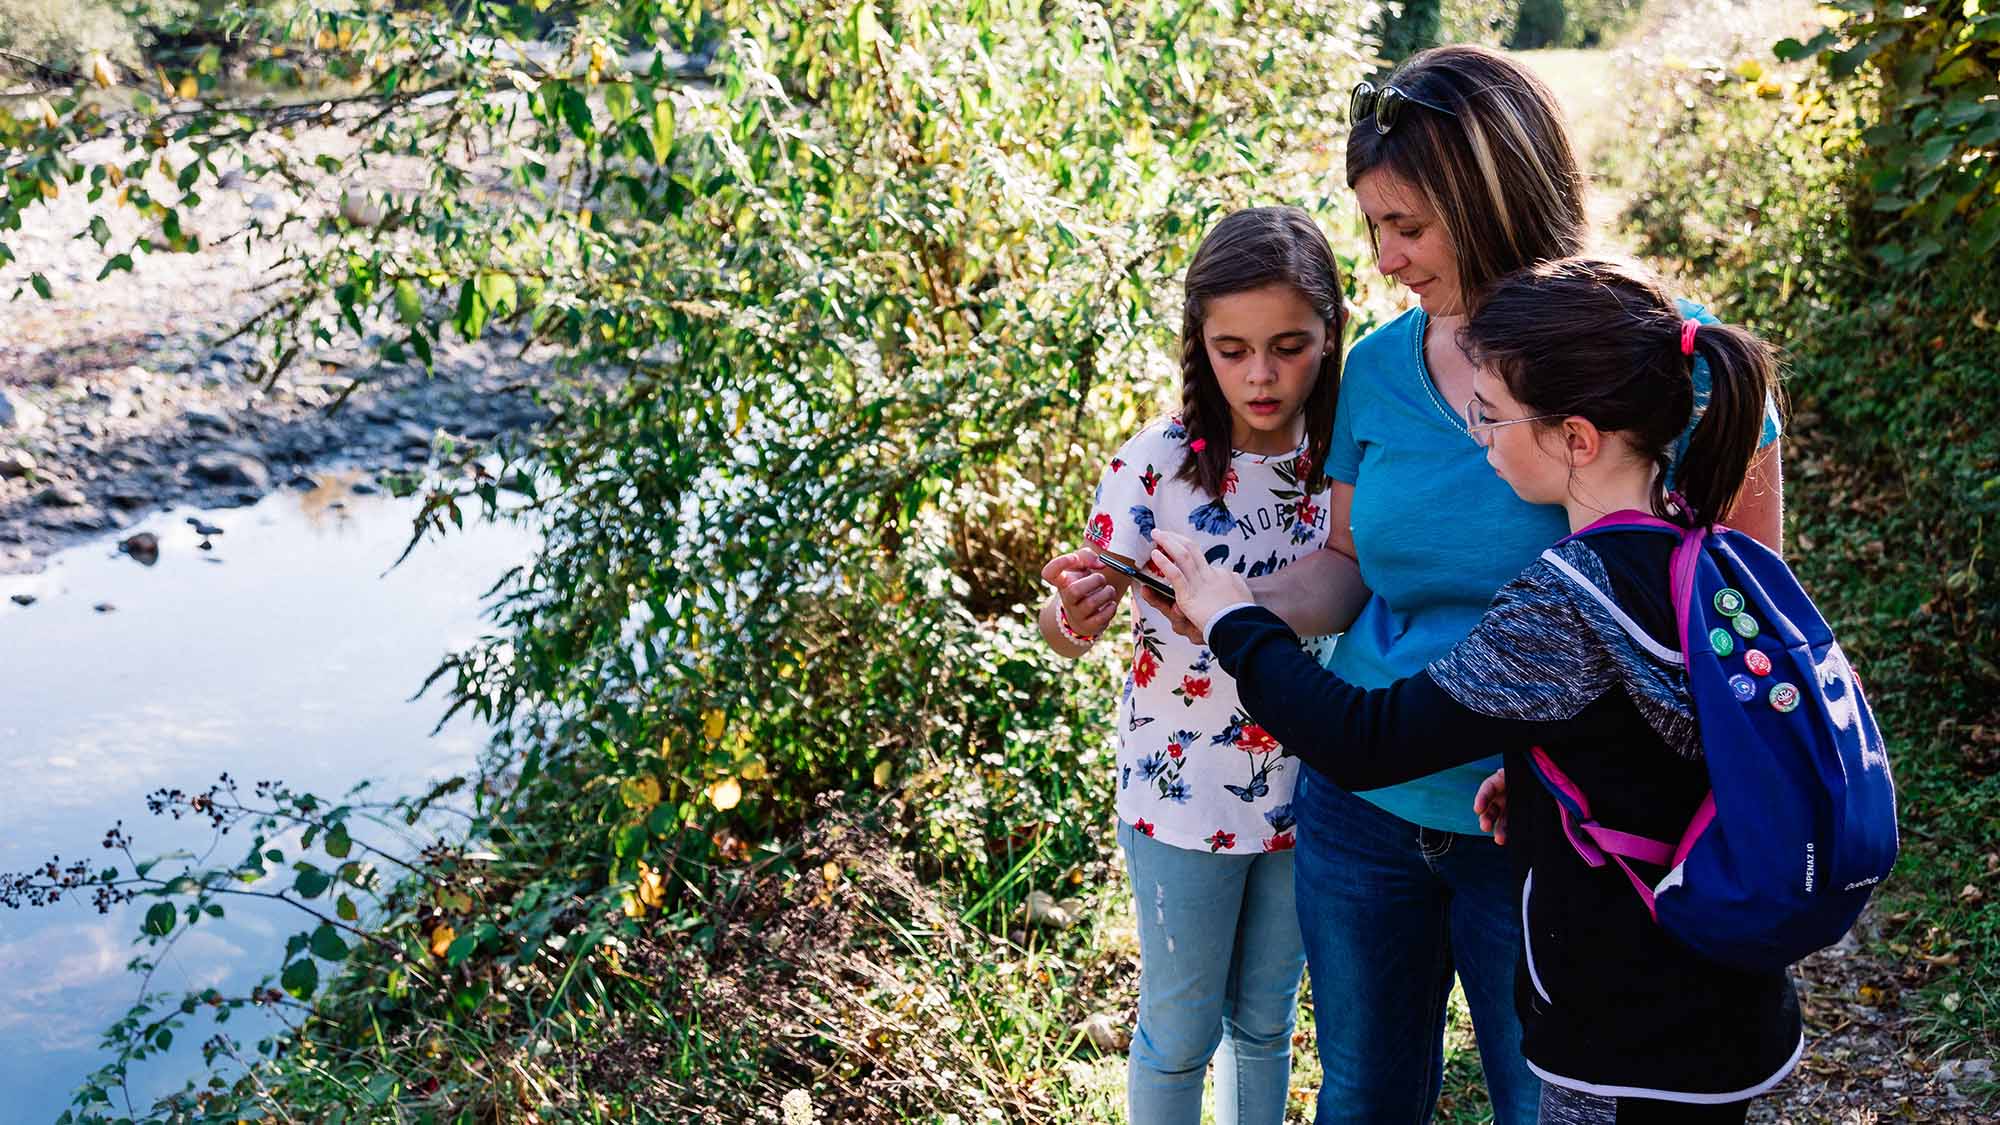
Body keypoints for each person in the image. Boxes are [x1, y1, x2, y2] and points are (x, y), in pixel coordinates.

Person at [1132, 44, 1786, 1123]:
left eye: (1407, 226)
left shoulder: (1651, 359)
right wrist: (1212, 604)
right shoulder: (1380, 370)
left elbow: (1736, 627)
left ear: (1488, 201)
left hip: (1560, 832)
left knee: (1550, 1103)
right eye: (1373, 225)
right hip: (1364, 815)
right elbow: (1344, 569)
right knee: (1362, 1099)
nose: (1381, 261)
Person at [1036, 206, 1343, 1124]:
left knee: (1265, 1019)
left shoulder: (1343, 461)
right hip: (1182, 794)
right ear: (1197, 342)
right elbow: (1069, 620)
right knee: (1177, 1032)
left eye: (1289, 346)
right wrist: (1071, 615)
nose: (1260, 374)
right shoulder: (1154, 463)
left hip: (1312, 780)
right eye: (1232, 348)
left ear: (1331, 335)